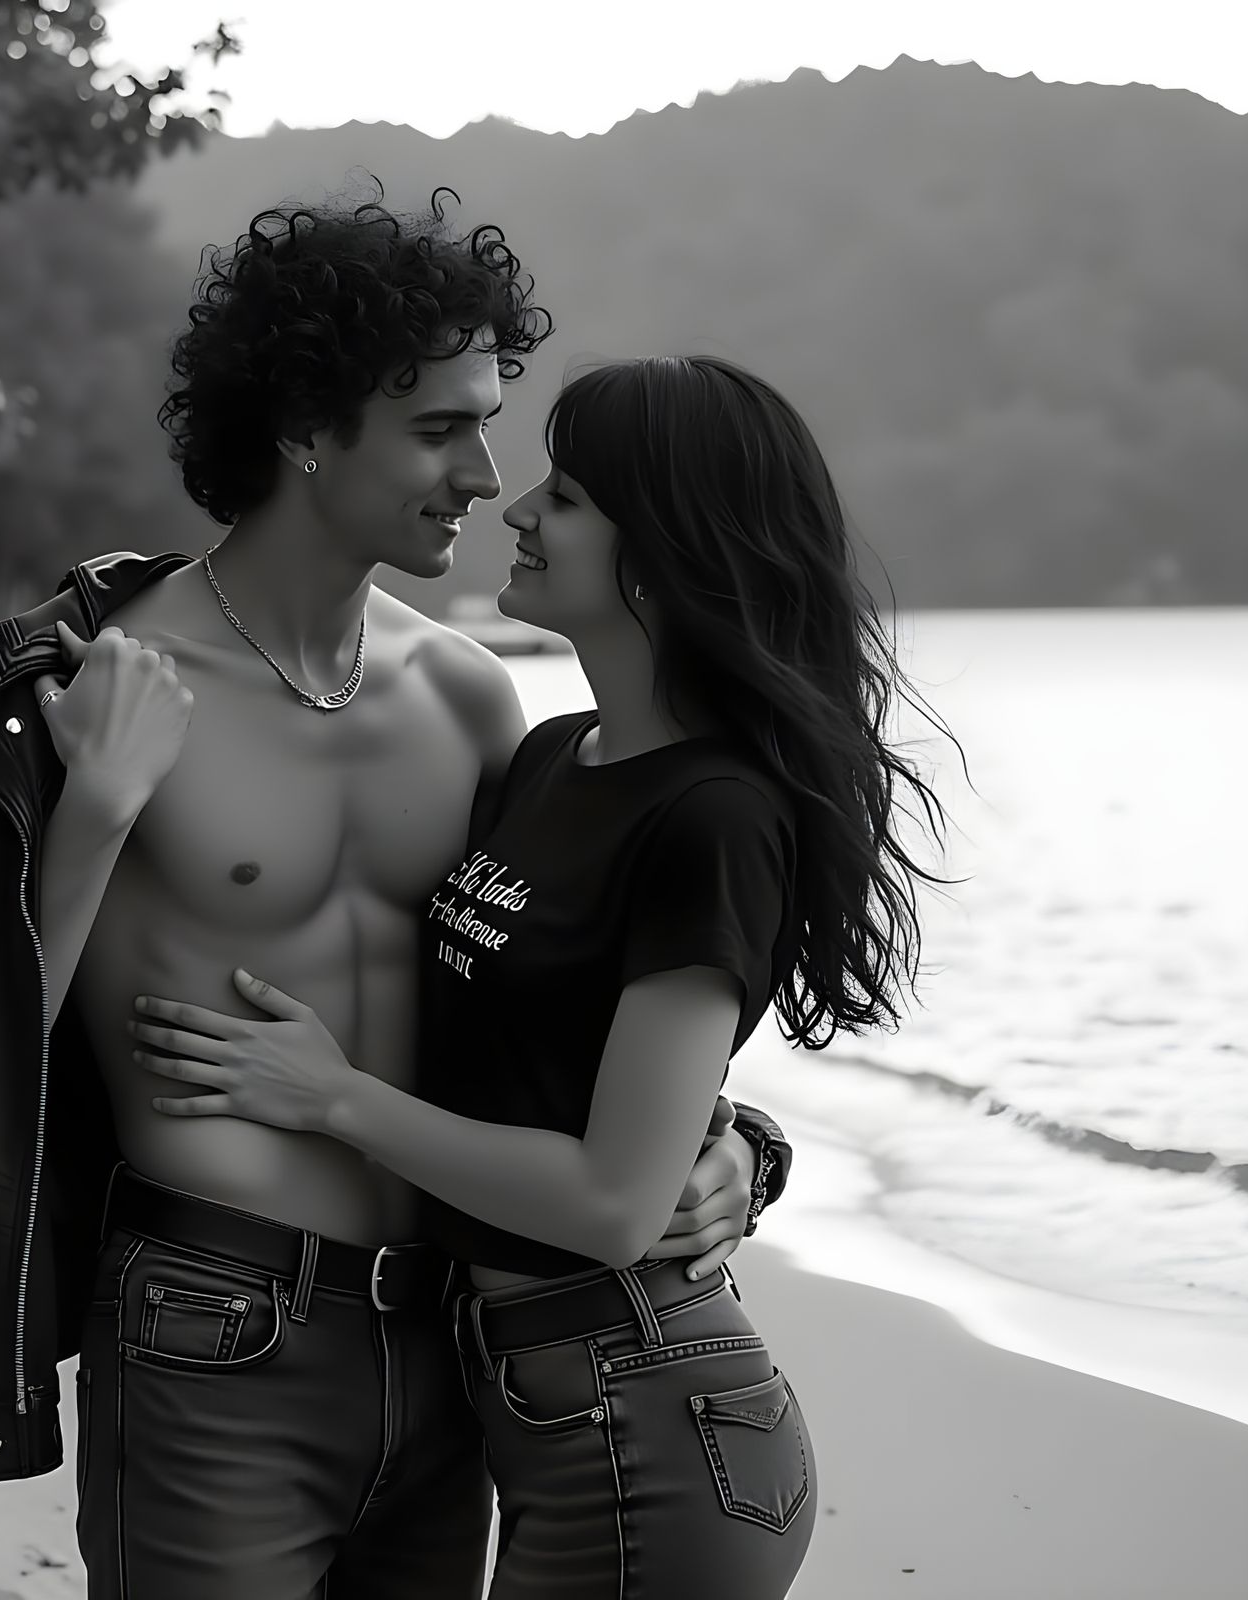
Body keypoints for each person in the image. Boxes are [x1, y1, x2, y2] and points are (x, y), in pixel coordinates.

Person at [0, 188, 796, 1600]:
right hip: (208, 1324)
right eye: (436, 429)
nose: (483, 473)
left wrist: (740, 1147)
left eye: (487, 421)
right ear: (301, 430)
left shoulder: (472, 700)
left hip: (458, 1349)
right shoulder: (105, 691)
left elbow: (575, 1000)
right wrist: (95, 815)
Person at [124, 354, 955, 1597]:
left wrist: (333, 1097)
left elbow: (617, 1201)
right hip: (519, 1407)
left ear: (665, 547)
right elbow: (551, 1060)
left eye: (564, 497)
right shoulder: (551, 757)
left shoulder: (716, 813)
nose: (514, 506)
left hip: (653, 1423)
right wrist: (745, 1142)